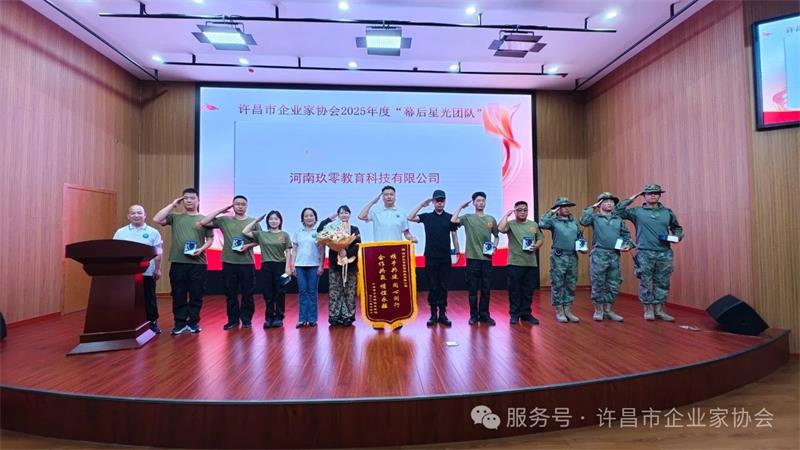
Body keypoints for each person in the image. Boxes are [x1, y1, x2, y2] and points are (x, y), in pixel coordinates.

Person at [615, 183, 684, 321]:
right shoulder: (636, 212)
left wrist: (677, 237)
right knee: (646, 282)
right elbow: (617, 212)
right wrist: (632, 198)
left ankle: (659, 310)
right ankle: (648, 310)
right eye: (649, 193)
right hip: (645, 252)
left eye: (656, 193)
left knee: (662, 282)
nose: (653, 195)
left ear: (659, 195)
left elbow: (677, 228)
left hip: (664, 252)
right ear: (644, 196)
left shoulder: (667, 212)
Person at [153, 188, 214, 335]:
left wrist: (201, 249)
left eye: (192, 198)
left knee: (196, 293)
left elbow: (210, 239)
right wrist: (172, 205)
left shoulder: (204, 219)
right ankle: (180, 323)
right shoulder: (175, 217)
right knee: (178, 293)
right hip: (178, 262)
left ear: (198, 200)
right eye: (185, 198)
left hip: (198, 263)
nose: (188, 200)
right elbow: (157, 219)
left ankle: (193, 322)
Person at [199, 195, 260, 330]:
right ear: (233, 206)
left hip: (247, 262)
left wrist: (248, 246)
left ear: (247, 206)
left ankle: (246, 320)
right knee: (230, 293)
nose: (240, 206)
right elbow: (204, 222)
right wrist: (222, 210)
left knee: (248, 293)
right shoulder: (224, 220)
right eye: (237, 204)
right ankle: (233, 320)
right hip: (228, 262)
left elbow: (260, 239)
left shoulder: (253, 222)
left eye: (243, 204)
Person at [407, 189, 460, 327]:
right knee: (433, 286)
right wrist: (422, 205)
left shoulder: (450, 217)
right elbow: (410, 217)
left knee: (443, 286)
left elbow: (454, 235)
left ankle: (442, 314)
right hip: (430, 256)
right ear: (433, 202)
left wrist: (457, 250)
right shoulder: (427, 217)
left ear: (445, 202)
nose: (440, 203)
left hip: (445, 257)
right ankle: (432, 315)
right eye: (437, 200)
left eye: (442, 200)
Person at [579, 192, 634, 322]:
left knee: (614, 284)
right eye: (606, 201)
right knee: (598, 283)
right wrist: (593, 207)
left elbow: (626, 236)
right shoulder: (595, 218)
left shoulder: (618, 219)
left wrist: (628, 245)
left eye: (611, 202)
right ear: (600, 204)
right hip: (599, 254)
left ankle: (608, 310)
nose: (609, 203)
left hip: (614, 255)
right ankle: (598, 310)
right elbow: (583, 221)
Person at [113, 204, 163, 334]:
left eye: (139, 213)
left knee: (149, 297)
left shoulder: (153, 232)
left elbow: (158, 254)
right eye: (133, 213)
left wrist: (157, 269)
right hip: (126, 273)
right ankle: (126, 323)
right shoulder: (120, 232)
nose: (136, 215)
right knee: (126, 298)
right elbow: (115, 251)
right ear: (128, 216)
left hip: (147, 272)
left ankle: (152, 322)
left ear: (145, 215)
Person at [451, 192, 499, 325]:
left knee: (486, 289)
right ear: (473, 203)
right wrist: (461, 207)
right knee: (473, 290)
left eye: (483, 200)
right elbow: (453, 220)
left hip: (487, 259)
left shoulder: (491, 219)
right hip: (472, 259)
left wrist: (495, 247)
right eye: (478, 200)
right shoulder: (468, 218)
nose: (481, 203)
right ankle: (473, 315)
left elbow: (496, 236)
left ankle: (484, 315)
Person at [244, 211, 292, 329]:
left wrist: (288, 267)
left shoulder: (284, 235)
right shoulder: (261, 234)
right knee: (268, 293)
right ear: (267, 221)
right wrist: (256, 221)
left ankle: (279, 317)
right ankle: (269, 317)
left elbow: (288, 252)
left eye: (276, 219)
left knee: (280, 292)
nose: (273, 221)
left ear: (280, 221)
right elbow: (245, 232)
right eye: (271, 219)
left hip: (280, 266)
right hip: (266, 266)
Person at [498, 200, 544, 325]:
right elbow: (501, 228)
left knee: (528, 291)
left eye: (525, 210)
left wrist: (537, 245)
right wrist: (507, 215)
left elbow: (540, 238)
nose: (523, 212)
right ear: (515, 211)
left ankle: (526, 314)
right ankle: (514, 314)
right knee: (514, 290)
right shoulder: (511, 224)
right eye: (519, 210)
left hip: (530, 263)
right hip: (515, 263)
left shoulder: (533, 224)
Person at [539, 197, 581, 324]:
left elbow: (579, 236)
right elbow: (542, 223)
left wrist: (582, 245)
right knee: (558, 283)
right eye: (563, 206)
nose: (566, 208)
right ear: (558, 209)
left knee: (571, 284)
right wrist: (551, 212)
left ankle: (568, 310)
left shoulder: (574, 222)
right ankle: (559, 311)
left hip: (572, 255)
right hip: (559, 256)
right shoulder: (553, 222)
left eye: (568, 206)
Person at [318, 206, 362, 326]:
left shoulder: (354, 229)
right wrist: (329, 219)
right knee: (335, 291)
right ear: (338, 215)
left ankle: (348, 316)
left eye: (346, 213)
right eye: (341, 213)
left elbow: (357, 245)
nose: (344, 215)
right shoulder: (332, 228)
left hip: (351, 265)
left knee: (349, 291)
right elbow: (320, 229)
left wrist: (346, 253)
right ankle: (334, 316)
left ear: (350, 215)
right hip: (335, 265)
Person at [291, 208, 325, 328]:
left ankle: (312, 319)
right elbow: (294, 250)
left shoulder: (319, 232)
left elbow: (322, 250)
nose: (309, 218)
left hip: (314, 266)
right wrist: (292, 265)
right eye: (306, 216)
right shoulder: (298, 232)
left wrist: (321, 265)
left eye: (311, 215)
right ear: (302, 219)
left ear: (315, 218)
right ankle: (302, 319)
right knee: (302, 292)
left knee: (312, 292)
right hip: (299, 266)